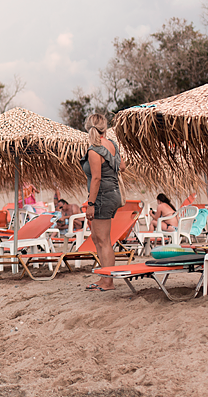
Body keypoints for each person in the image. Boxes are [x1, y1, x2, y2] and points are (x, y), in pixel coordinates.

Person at [81, 113, 125, 291]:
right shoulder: (111, 145)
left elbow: (96, 179)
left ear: (87, 127)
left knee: (104, 240)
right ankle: (104, 276)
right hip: (112, 193)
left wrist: (90, 204)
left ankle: (108, 282)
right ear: (104, 127)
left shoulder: (94, 150)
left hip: (102, 196)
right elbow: (122, 166)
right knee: (97, 238)